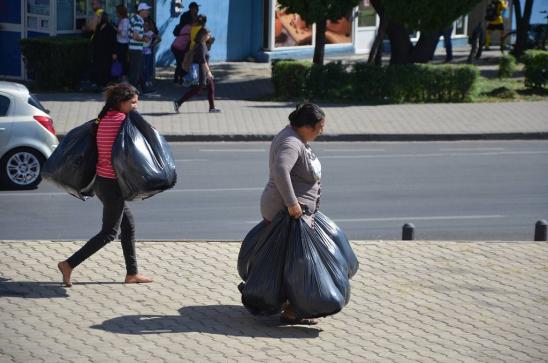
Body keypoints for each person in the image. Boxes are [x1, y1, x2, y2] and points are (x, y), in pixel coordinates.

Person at [57, 84, 152, 287]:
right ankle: (68, 264)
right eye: (132, 103)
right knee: (109, 233)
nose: (136, 107)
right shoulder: (122, 121)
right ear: (121, 102)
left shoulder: (105, 119)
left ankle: (132, 273)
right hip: (112, 185)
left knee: (128, 225)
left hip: (102, 182)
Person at [259, 103, 325, 325]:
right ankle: (292, 309)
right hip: (286, 213)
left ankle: (289, 304)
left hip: (289, 212)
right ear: (305, 126)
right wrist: (292, 204)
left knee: (290, 259)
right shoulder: (291, 142)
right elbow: (280, 169)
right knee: (298, 261)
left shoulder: (294, 136)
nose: (321, 131)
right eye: (318, 127)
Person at [173, 27, 221, 113]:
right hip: (201, 71)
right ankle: (178, 102)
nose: (210, 36)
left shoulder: (202, 44)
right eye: (208, 35)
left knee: (211, 87)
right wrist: (209, 72)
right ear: (204, 35)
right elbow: (203, 61)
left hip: (202, 70)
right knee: (197, 89)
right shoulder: (201, 46)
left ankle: (212, 107)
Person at [90, 11, 116, 89]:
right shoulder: (98, 27)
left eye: (99, 17)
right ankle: (98, 84)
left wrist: (114, 52)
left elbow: (113, 41)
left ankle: (106, 84)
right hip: (98, 52)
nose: (97, 19)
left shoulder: (110, 28)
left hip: (107, 52)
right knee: (98, 67)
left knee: (106, 68)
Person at [128, 3, 151, 90]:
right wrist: (144, 39)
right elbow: (135, 36)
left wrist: (142, 37)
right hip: (136, 49)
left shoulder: (134, 18)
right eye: (146, 10)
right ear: (141, 11)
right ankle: (131, 92)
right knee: (135, 72)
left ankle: (144, 88)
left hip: (134, 48)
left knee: (139, 69)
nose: (148, 12)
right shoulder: (138, 21)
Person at [142, 17, 161, 94]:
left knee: (147, 67)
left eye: (146, 25)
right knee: (142, 67)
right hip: (140, 52)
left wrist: (153, 44)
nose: (145, 27)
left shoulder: (150, 33)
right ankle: (144, 81)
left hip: (148, 52)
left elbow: (159, 38)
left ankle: (147, 80)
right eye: (144, 25)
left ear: (149, 26)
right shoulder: (140, 32)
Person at [115, 5, 130, 79]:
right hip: (121, 42)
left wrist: (116, 30)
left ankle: (122, 76)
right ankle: (119, 75)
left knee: (122, 60)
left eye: (117, 11)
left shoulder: (125, 21)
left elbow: (124, 34)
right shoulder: (122, 20)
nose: (116, 13)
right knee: (120, 60)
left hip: (122, 43)